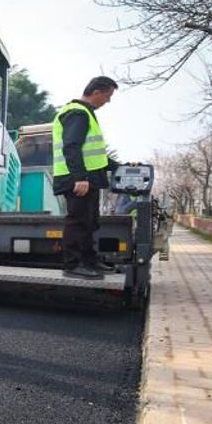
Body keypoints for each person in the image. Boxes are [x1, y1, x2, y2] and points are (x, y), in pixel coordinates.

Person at [52, 75, 120, 280]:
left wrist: (122, 166)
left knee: (89, 222)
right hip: (78, 180)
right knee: (78, 222)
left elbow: (95, 155)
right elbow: (71, 146)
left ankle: (89, 261)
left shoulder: (84, 113)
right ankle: (72, 265)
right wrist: (80, 178)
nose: (108, 101)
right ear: (96, 92)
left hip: (87, 178)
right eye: (107, 96)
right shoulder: (77, 113)